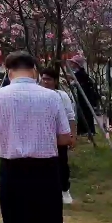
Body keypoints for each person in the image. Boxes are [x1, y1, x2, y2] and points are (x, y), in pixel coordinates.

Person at [0, 51, 71, 223]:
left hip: (12, 169)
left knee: (15, 221)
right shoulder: (52, 96)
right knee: (48, 222)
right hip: (46, 170)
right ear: (34, 71)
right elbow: (64, 137)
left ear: (9, 72)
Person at [40, 66, 77, 205]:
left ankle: (64, 190)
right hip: (41, 135)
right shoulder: (37, 94)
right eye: (43, 79)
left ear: (55, 81)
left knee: (61, 163)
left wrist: (72, 135)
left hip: (59, 135)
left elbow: (70, 116)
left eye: (48, 79)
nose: (45, 82)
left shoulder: (62, 95)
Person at [67, 54, 100, 137]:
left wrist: (63, 76)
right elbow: (75, 82)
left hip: (86, 96)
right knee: (82, 112)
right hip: (82, 95)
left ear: (77, 64)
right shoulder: (79, 73)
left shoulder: (81, 73)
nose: (72, 65)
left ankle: (88, 131)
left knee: (86, 112)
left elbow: (74, 78)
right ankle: (83, 130)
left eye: (73, 63)